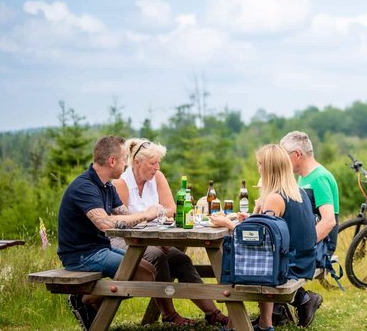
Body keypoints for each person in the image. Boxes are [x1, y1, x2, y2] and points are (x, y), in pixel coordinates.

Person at [110, 138, 228, 326]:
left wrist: (156, 217)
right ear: (137, 162)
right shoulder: (121, 184)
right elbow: (121, 224)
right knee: (158, 256)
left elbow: (173, 209)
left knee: (181, 259)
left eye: (158, 162)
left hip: (153, 238)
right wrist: (152, 215)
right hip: (124, 242)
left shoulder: (157, 177)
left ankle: (213, 313)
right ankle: (169, 314)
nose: (157, 167)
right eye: (152, 163)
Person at [56, 136, 163, 330]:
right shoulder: (85, 186)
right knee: (143, 276)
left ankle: (93, 307)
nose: (126, 164)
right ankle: (83, 299)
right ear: (112, 161)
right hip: (81, 255)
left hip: (99, 249)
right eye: (124, 159)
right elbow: (105, 223)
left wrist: (151, 216)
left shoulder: (106, 185)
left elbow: (125, 215)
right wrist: (146, 215)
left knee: (149, 271)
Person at [210, 144, 320, 330]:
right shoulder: (297, 191)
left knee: (237, 262)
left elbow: (256, 239)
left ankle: (234, 324)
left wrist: (229, 225)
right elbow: (270, 229)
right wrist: (254, 217)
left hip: (290, 265)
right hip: (304, 260)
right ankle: (262, 322)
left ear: (267, 168)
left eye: (260, 164)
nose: (258, 167)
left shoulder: (275, 198)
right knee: (265, 256)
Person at [280, 131, 339, 325]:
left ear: (297, 154)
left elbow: (328, 221)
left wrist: (303, 244)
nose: (281, 160)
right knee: (273, 257)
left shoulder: (318, 178)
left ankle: (303, 300)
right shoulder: (303, 178)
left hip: (321, 244)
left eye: (284, 154)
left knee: (278, 262)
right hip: (309, 242)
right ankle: (277, 311)